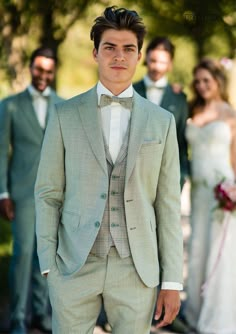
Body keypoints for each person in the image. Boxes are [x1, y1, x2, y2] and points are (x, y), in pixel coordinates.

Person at [35, 6, 183, 334]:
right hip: (73, 265)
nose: (119, 56)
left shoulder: (163, 122)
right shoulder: (64, 115)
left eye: (128, 48)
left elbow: (168, 205)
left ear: (139, 55)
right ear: (95, 53)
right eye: (110, 47)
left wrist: (172, 280)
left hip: (137, 268)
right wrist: (48, 266)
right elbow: (48, 194)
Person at [0, 47, 64, 334]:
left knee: (46, 256)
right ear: (30, 68)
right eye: (39, 69)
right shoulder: (10, 105)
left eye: (49, 71)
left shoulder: (63, 106)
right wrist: (2, 193)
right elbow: (1, 152)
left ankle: (41, 314)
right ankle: (17, 318)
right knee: (23, 253)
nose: (43, 76)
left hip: (54, 194)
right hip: (22, 193)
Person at [184, 58, 236, 333]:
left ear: (217, 81)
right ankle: (194, 310)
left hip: (222, 192)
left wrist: (233, 191)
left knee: (219, 251)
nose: (202, 85)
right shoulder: (192, 108)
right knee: (197, 249)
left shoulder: (230, 114)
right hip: (199, 193)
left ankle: (218, 315)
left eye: (207, 80)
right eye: (198, 81)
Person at [133, 37, 189, 188]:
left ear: (170, 64)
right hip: (133, 176)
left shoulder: (180, 98)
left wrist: (181, 177)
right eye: (153, 60)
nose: (157, 67)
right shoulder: (130, 91)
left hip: (168, 177)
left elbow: (181, 142)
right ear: (145, 59)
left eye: (163, 62)